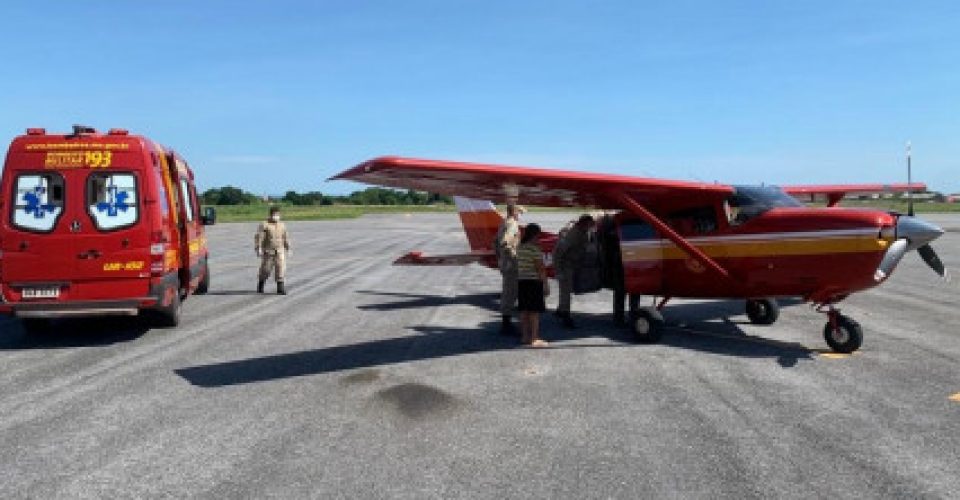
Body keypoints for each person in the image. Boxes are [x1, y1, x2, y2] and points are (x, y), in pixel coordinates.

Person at [552, 214, 595, 327]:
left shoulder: (583, 232)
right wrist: (558, 271)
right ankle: (566, 316)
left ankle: (560, 310)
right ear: (584, 223)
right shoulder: (573, 235)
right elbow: (557, 253)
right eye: (590, 224)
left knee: (565, 290)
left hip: (573, 264)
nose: (591, 227)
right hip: (566, 265)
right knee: (566, 291)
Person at [516, 223, 549, 347]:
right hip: (533, 282)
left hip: (522, 281)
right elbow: (540, 268)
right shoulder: (534, 249)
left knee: (524, 311)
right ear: (536, 235)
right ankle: (534, 338)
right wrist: (545, 284)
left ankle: (524, 336)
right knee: (534, 312)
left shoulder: (520, 247)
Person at [494, 203, 524, 335]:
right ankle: (506, 325)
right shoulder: (512, 224)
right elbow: (505, 243)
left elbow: (495, 242)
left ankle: (506, 323)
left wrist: (500, 258)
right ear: (515, 212)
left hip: (505, 263)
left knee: (508, 292)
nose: (520, 215)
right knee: (510, 293)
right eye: (520, 212)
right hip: (512, 265)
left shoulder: (504, 223)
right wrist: (515, 258)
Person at [254, 206, 291, 295]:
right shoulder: (265, 225)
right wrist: (258, 248)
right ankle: (261, 284)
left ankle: (280, 288)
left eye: (278, 214)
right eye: (275, 214)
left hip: (279, 251)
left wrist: (288, 248)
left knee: (280, 268)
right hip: (268, 251)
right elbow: (259, 237)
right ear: (270, 215)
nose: (277, 216)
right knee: (265, 269)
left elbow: (285, 237)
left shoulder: (282, 225)